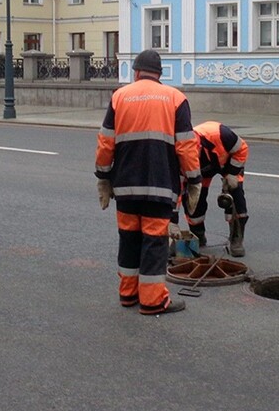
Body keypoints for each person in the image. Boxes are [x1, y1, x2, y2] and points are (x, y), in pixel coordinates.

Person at [95, 49, 201, 315]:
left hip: (126, 187)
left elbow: (106, 141)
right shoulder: (175, 98)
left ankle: (128, 294)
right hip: (159, 185)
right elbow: (186, 145)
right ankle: (153, 301)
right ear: (160, 74)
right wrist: (194, 180)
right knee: (154, 242)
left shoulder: (120, 96)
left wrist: (103, 177)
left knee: (129, 239)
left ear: (136, 72)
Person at [182, 121, 249, 257]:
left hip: (228, 164)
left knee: (236, 197)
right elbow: (177, 187)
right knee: (193, 200)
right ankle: (197, 235)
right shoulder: (181, 153)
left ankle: (236, 238)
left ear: (199, 145)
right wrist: (172, 218)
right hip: (200, 171)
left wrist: (233, 173)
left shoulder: (221, 134)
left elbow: (242, 149)